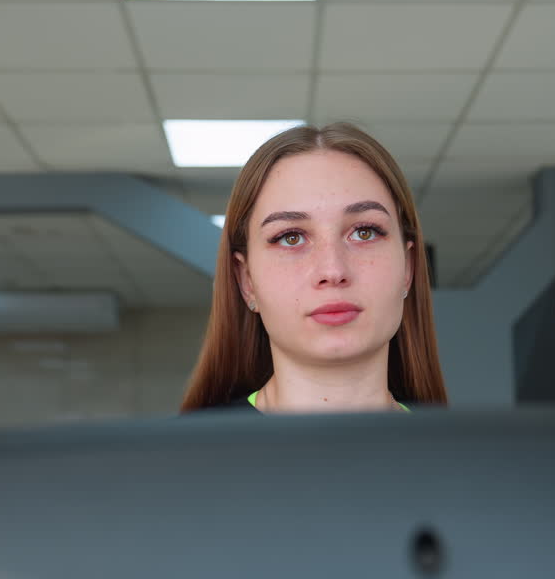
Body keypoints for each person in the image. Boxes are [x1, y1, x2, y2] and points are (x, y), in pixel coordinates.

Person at [181, 123, 447, 414]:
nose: (332, 271)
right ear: (246, 280)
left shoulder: (467, 456)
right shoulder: (174, 458)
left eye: (364, 232)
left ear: (407, 268)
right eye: (290, 237)